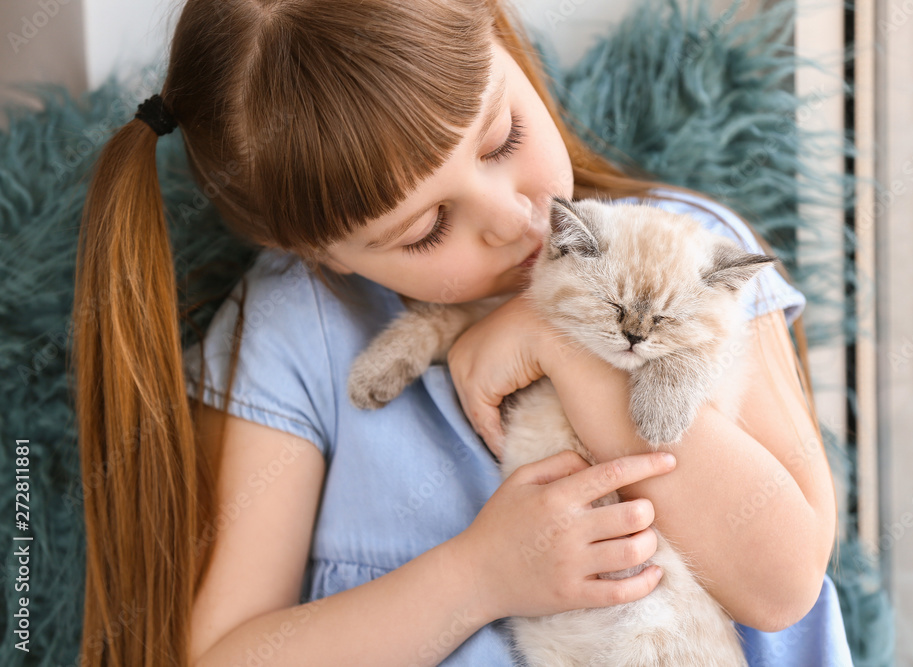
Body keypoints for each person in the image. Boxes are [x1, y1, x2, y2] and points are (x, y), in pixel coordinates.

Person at [70, 0, 853, 665]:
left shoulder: (693, 259)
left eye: (502, 139)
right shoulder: (297, 329)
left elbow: (785, 581)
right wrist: (479, 575)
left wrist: (559, 342)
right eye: (428, 227)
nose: (518, 221)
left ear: (502, 35)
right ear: (317, 253)